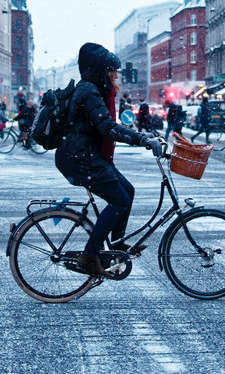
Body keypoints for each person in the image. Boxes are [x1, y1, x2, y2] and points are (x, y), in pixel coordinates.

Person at [55, 43, 162, 277]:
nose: (116, 76)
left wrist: (142, 137)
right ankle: (89, 256)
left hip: (85, 155)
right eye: (112, 71)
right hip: (80, 158)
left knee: (128, 191)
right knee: (119, 200)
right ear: (101, 70)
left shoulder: (92, 89)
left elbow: (106, 126)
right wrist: (141, 139)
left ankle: (116, 244)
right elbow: (107, 127)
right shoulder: (89, 91)